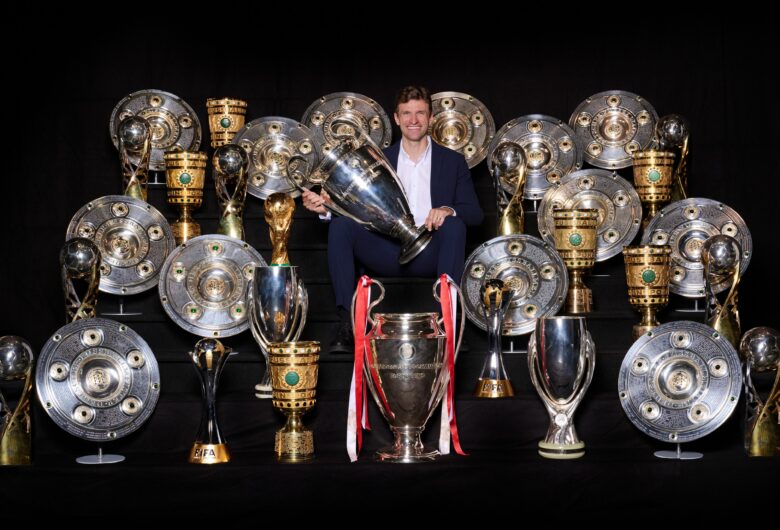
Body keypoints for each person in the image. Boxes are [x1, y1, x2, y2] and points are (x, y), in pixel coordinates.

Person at [301, 86, 484, 352]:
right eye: (406, 113)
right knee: (340, 225)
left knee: (455, 225)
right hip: (387, 250)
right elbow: (358, 210)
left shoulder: (452, 161)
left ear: (431, 118)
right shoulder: (379, 157)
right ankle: (347, 323)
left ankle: (449, 323)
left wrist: (447, 210)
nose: (413, 120)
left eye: (420, 113)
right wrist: (325, 209)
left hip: (430, 251)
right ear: (396, 118)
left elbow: (475, 214)